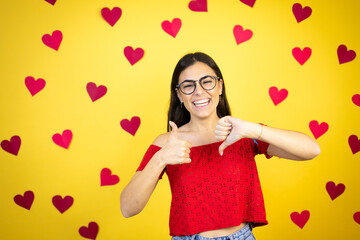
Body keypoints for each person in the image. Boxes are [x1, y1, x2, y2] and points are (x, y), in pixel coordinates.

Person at [120, 52, 320, 240]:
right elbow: (128, 208)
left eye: (207, 82)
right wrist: (160, 159)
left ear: (220, 87)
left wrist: (254, 129)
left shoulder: (243, 133)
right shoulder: (167, 142)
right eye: (188, 86)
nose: (199, 91)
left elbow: (312, 150)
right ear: (179, 95)